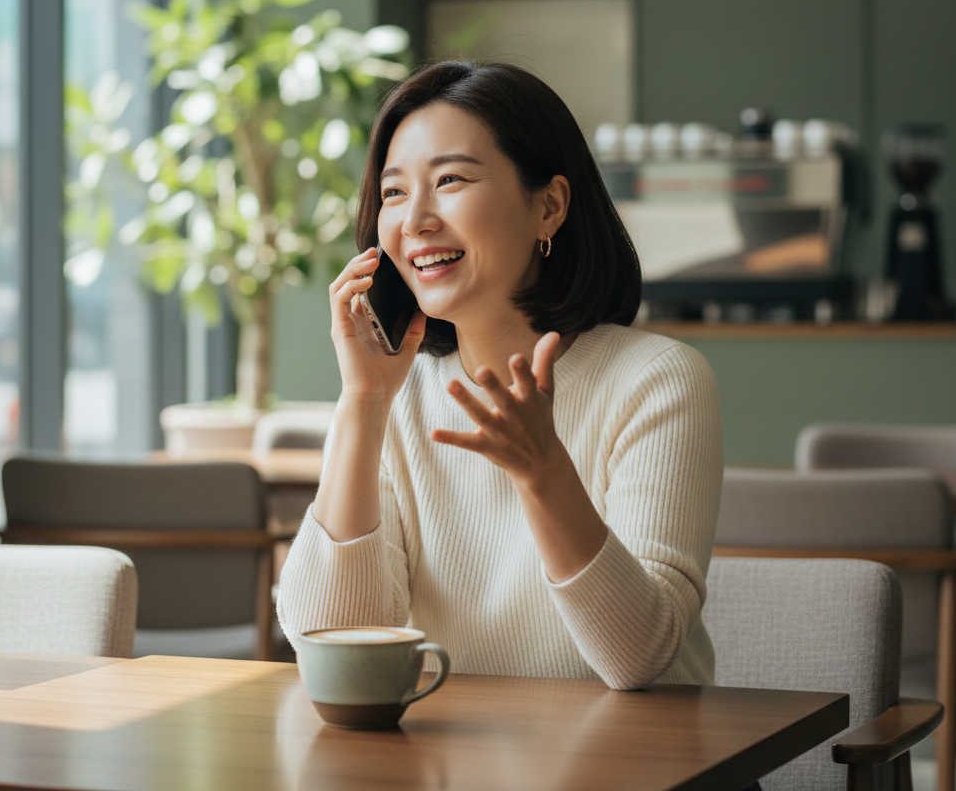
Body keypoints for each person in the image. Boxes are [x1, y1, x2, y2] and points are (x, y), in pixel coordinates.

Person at [277, 60, 724, 690]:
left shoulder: (657, 381)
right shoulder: (397, 398)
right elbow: (331, 642)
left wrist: (543, 471)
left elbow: (639, 660)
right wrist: (364, 399)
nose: (415, 221)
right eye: (394, 192)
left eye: (451, 179)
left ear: (549, 207)